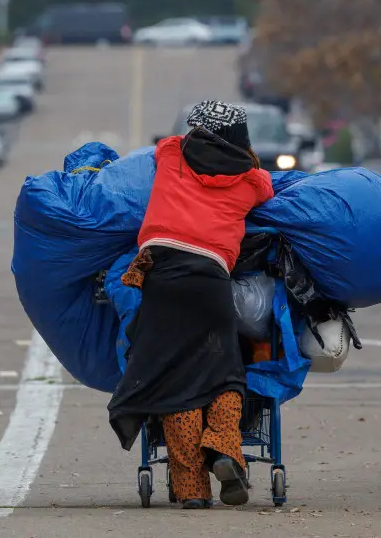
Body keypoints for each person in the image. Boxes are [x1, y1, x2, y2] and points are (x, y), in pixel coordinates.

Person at [107, 100, 275, 509]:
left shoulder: (170, 155)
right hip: (210, 282)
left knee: (175, 381)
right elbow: (268, 188)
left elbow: (168, 145)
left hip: (160, 275)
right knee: (224, 372)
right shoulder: (251, 181)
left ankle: (191, 489)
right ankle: (223, 450)